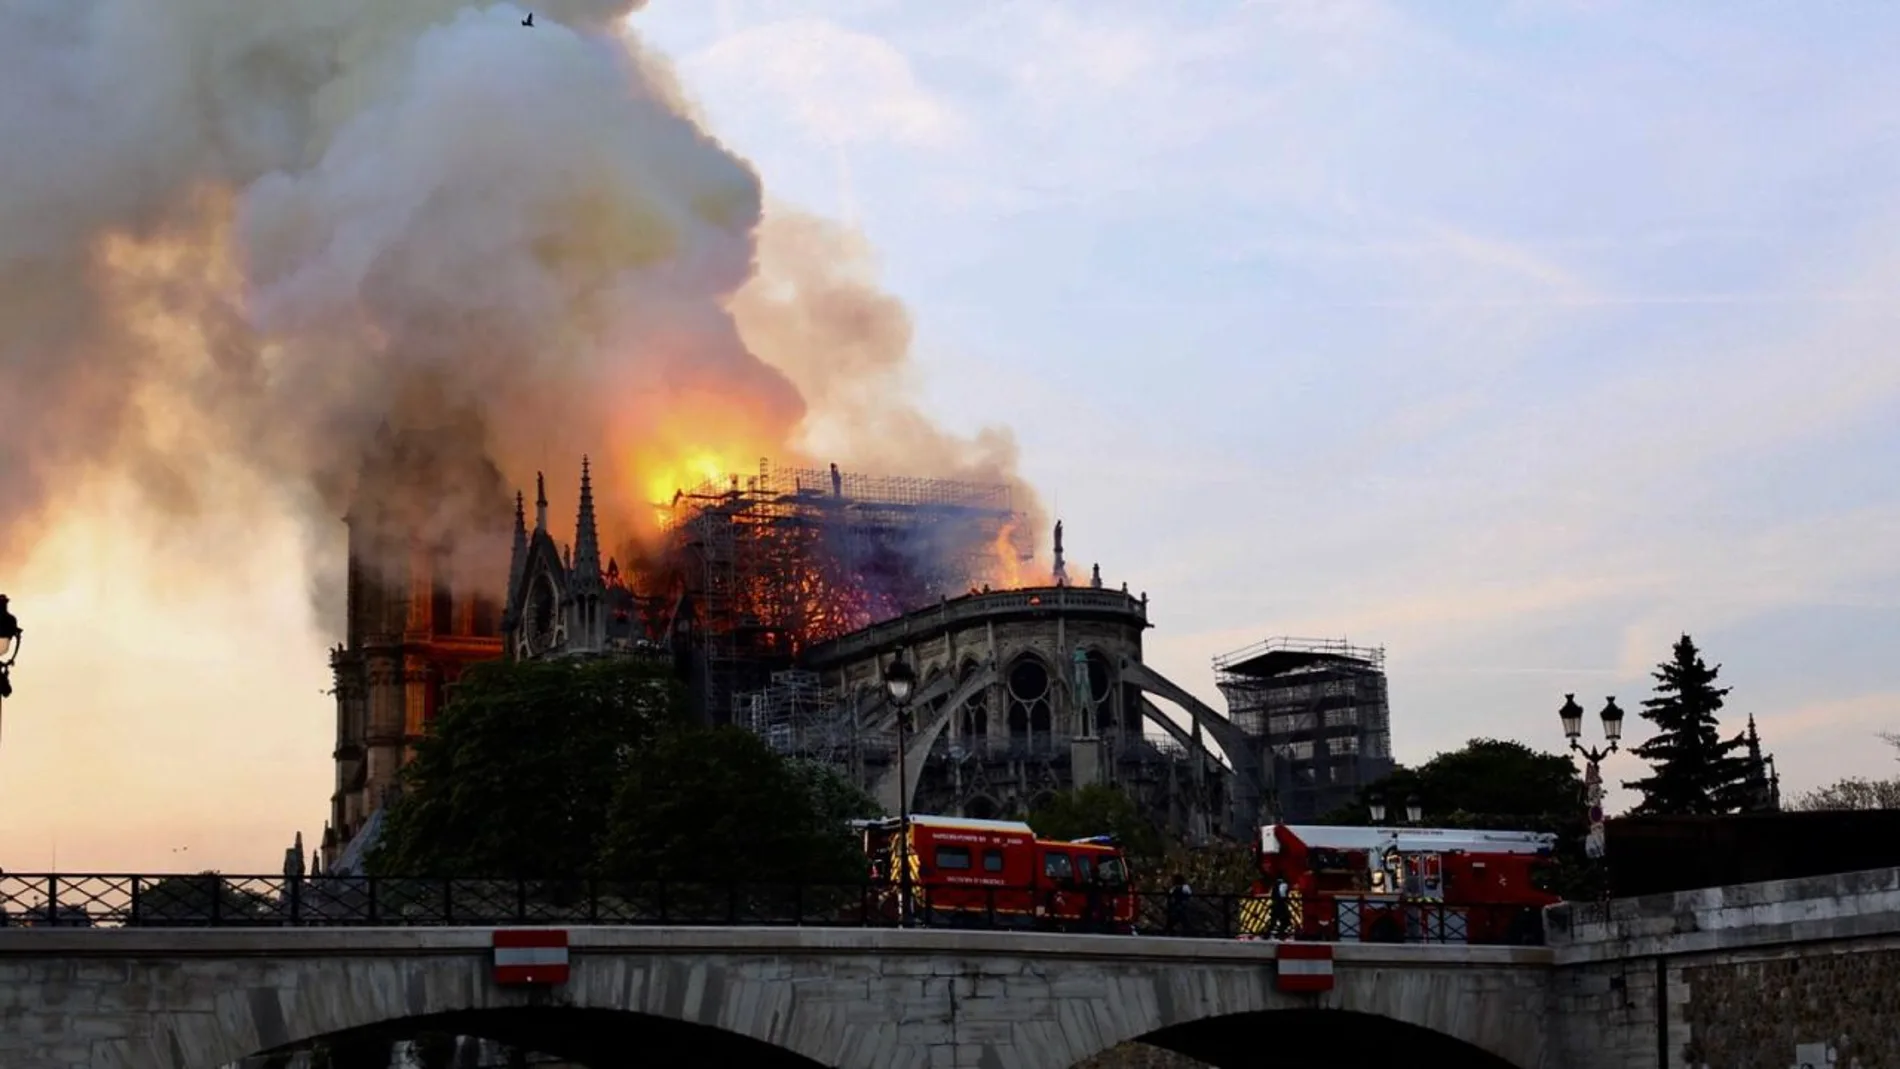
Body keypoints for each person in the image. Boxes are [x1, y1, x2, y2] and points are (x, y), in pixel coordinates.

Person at [1267, 873, 1294, 940]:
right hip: (1281, 905)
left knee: (1274, 920)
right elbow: (1282, 894)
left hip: (1275, 904)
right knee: (1285, 921)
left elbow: (1272, 894)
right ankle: (1280, 934)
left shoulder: (1275, 884)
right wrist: (1286, 899)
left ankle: (1269, 934)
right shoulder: (1284, 884)